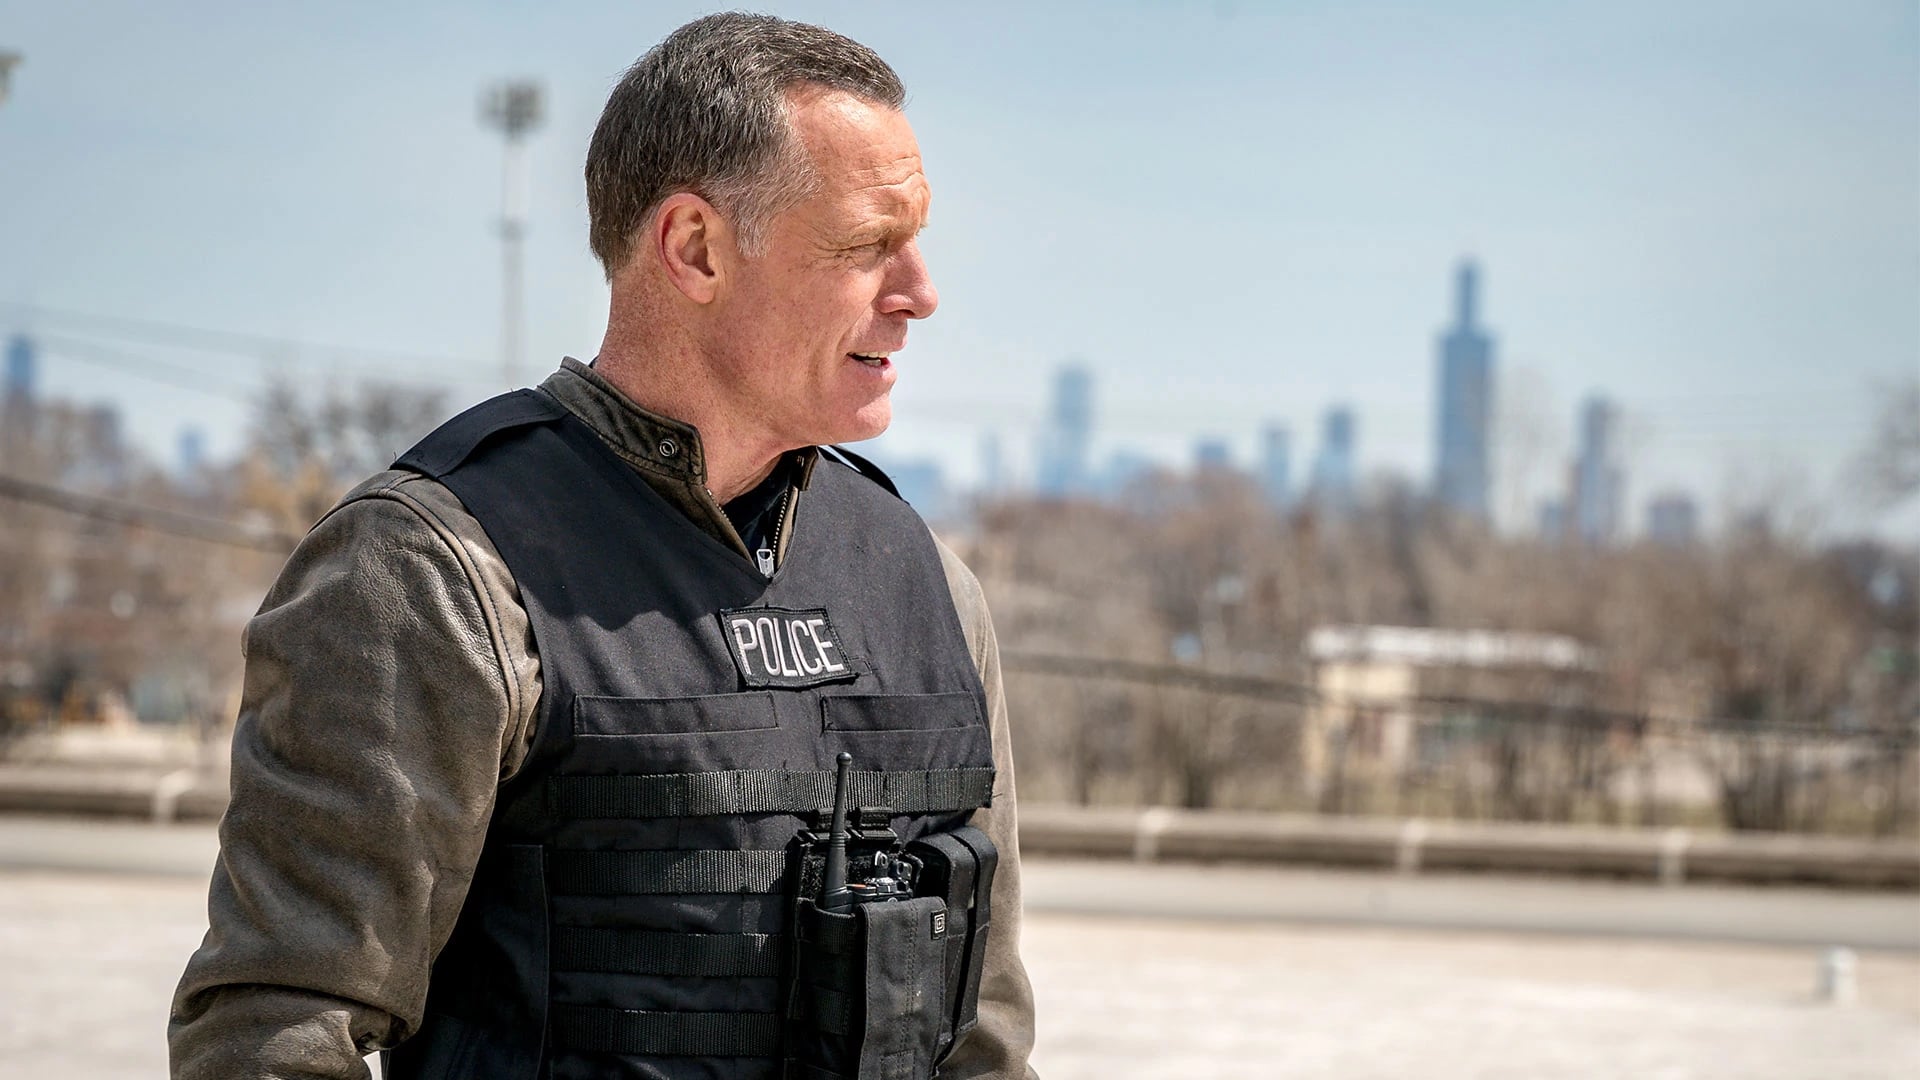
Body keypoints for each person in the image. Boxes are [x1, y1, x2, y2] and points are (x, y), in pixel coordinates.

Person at [169, 13, 1037, 1080]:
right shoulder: (436, 570)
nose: (920, 293)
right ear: (695, 248)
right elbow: (275, 1034)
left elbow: (982, 1041)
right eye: (865, 245)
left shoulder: (927, 585)